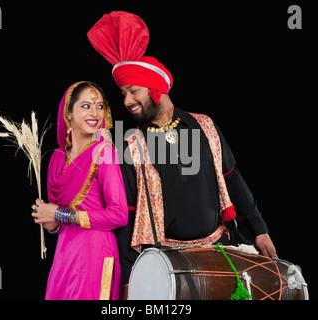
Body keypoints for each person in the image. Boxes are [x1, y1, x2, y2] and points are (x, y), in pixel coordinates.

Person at [88, 11, 277, 297]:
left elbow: (232, 179)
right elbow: (127, 214)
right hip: (164, 265)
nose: (127, 101)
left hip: (218, 252)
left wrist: (260, 229)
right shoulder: (130, 144)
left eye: (132, 91)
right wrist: (128, 279)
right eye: (123, 94)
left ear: (155, 88)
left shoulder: (204, 125)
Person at [31, 81, 128, 300]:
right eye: (86, 106)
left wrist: (59, 214)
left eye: (100, 106)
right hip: (65, 254)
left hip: (95, 253)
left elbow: (119, 215)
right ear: (68, 113)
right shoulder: (56, 158)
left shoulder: (104, 152)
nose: (95, 113)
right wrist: (52, 225)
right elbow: (56, 219)